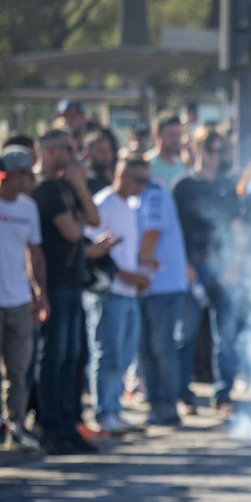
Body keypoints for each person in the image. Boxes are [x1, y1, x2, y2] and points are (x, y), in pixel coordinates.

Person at [32, 129, 106, 454]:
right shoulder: (46, 188)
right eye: (68, 148)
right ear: (50, 152)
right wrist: (75, 189)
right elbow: (74, 231)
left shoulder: (67, 187)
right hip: (56, 283)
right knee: (56, 356)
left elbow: (93, 218)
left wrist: (78, 185)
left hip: (74, 283)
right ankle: (52, 426)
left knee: (73, 357)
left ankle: (69, 423)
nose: (75, 154)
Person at [0, 149, 46, 451]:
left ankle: (16, 424)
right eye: (28, 174)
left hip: (19, 300)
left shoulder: (29, 208)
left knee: (18, 369)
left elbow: (35, 253)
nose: (33, 179)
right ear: (15, 175)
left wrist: (39, 292)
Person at [173, 127, 241, 411]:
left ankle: (223, 394)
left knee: (226, 333)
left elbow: (238, 228)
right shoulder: (183, 186)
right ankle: (183, 393)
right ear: (196, 150)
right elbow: (173, 230)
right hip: (193, 265)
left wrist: (236, 263)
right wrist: (185, 264)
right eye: (208, 150)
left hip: (224, 266)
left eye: (218, 151)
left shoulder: (227, 186)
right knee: (186, 333)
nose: (213, 157)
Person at [85, 158, 150, 434]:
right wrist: (124, 275)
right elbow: (91, 248)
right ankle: (104, 412)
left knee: (124, 354)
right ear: (121, 175)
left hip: (128, 293)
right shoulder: (104, 203)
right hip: (108, 291)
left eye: (145, 181)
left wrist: (140, 272)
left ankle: (115, 408)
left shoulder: (131, 206)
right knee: (107, 353)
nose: (142, 186)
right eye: (138, 180)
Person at [130, 176, 190, 427]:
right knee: (146, 348)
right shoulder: (135, 197)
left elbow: (152, 234)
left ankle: (167, 404)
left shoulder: (154, 194)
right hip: (146, 286)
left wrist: (136, 265)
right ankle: (156, 404)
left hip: (163, 284)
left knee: (161, 346)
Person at [147, 115, 189, 190]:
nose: (176, 139)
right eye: (171, 135)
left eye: (178, 135)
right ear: (157, 134)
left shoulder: (182, 166)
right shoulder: (147, 163)